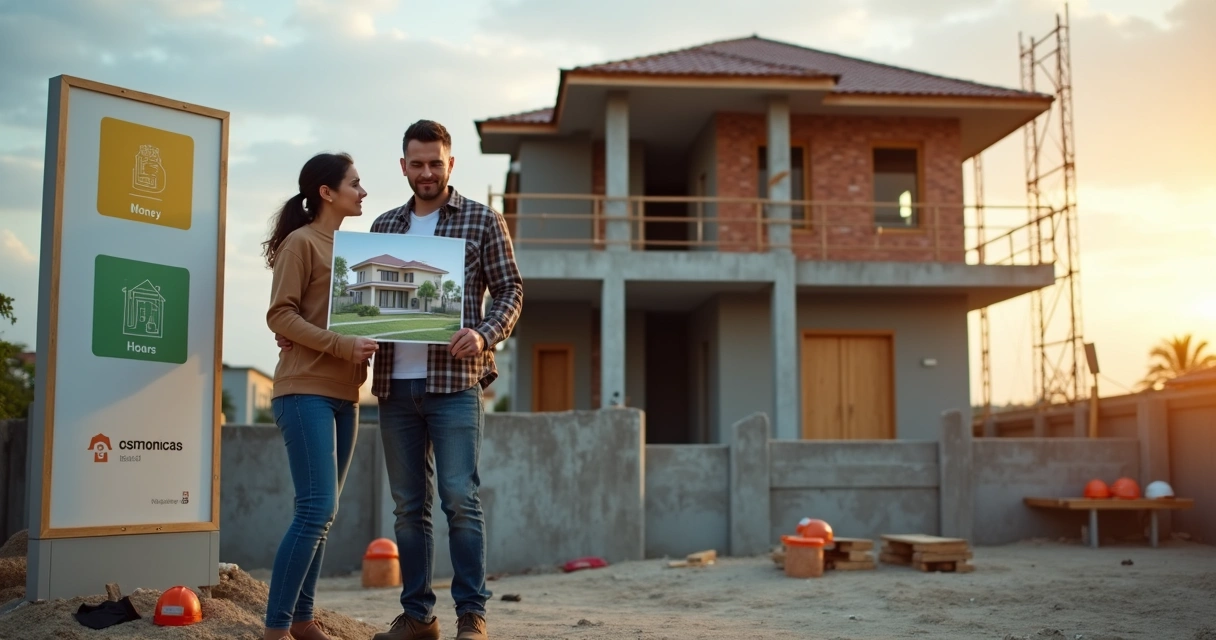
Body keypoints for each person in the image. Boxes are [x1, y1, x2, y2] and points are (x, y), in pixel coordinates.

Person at [276, 120, 523, 640]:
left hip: (455, 383)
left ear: (450, 164)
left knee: (460, 499)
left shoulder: (483, 221)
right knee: (409, 510)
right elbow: (345, 305)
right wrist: (309, 333)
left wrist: (482, 334)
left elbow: (511, 293)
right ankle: (418, 616)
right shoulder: (381, 228)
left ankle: (471, 616)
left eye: (436, 162)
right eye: (417, 163)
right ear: (404, 166)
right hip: (393, 386)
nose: (427, 171)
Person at [262, 152, 379, 640]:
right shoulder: (300, 243)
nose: (363, 191)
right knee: (315, 509)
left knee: (323, 515)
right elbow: (280, 315)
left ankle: (305, 621)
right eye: (355, 183)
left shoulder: (356, 249)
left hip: (345, 395)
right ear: (327, 192)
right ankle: (276, 629)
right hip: (303, 389)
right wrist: (342, 344)